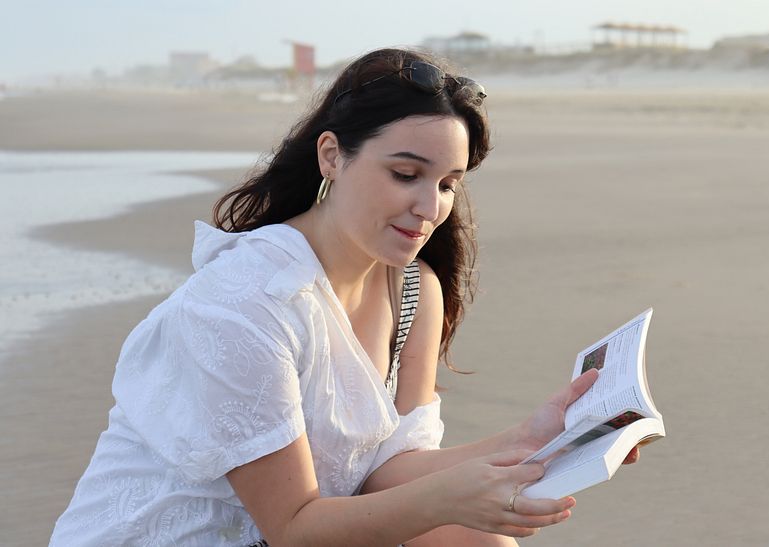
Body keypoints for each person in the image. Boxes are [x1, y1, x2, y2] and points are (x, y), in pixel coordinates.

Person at [50, 47, 638, 546]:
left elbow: (386, 471)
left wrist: (533, 440)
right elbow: (293, 527)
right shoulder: (245, 302)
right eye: (405, 174)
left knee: (476, 537)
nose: (430, 207)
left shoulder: (413, 292)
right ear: (332, 155)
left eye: (447, 184)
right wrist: (446, 499)